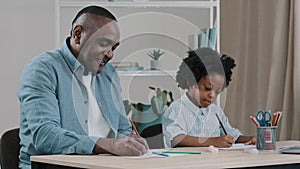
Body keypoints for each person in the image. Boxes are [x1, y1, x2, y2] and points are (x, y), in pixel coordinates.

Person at [17, 5, 149, 169]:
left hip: (106, 165)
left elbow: (123, 128)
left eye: (114, 47)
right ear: (78, 34)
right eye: (103, 43)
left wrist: (129, 144)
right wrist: (109, 145)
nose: (110, 54)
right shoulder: (42, 69)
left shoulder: (110, 74)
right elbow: (46, 136)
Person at [162, 47, 256, 148]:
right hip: (187, 162)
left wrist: (251, 139)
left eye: (217, 92)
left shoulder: (216, 111)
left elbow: (233, 136)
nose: (212, 95)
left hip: (213, 162)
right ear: (191, 82)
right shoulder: (177, 108)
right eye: (207, 88)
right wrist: (213, 141)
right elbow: (176, 139)